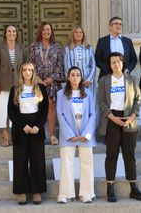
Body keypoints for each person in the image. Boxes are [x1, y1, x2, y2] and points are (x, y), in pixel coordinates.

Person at [97, 52, 141, 202]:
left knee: (129, 154)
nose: (116, 64)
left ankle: (133, 187)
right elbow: (101, 101)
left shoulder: (131, 79)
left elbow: (138, 98)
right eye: (113, 62)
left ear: (122, 63)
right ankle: (110, 188)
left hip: (128, 119)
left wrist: (133, 116)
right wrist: (112, 117)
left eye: (118, 62)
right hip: (112, 120)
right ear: (109, 65)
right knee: (111, 154)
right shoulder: (104, 81)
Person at [8, 63, 49, 205]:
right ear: (21, 72)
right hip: (21, 129)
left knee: (37, 159)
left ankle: (37, 191)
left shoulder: (41, 88)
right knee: (20, 160)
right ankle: (22, 191)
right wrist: (22, 125)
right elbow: (11, 112)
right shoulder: (15, 89)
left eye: (30, 70)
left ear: (33, 72)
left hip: (36, 129)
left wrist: (38, 126)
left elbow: (45, 110)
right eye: (24, 70)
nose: (27, 72)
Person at [56, 66, 96, 204]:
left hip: (85, 133)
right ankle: (66, 194)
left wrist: (87, 133)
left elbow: (93, 114)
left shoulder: (88, 93)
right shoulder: (61, 94)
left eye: (78, 75)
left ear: (81, 77)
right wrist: (69, 134)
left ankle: (86, 193)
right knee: (67, 163)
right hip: (68, 134)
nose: (75, 77)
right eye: (72, 75)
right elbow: (60, 115)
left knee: (87, 163)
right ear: (68, 77)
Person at [29, 22, 65, 145]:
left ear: (51, 31)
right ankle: (38, 135)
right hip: (37, 81)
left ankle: (53, 135)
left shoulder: (57, 46)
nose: (46, 32)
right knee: (37, 108)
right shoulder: (34, 46)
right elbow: (31, 63)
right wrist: (37, 78)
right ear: (40, 31)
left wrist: (52, 78)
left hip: (52, 82)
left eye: (48, 30)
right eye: (44, 30)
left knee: (51, 106)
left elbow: (60, 64)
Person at [0, 24, 26, 147]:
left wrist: (25, 83)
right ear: (5, 33)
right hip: (3, 83)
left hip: (18, 84)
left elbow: (24, 67)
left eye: (14, 31)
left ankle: (15, 136)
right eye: (9, 31)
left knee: (16, 111)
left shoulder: (21, 48)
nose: (12, 33)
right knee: (2, 111)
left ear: (16, 34)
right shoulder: (0, 47)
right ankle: (5, 137)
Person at [64, 25, 96, 93]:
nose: (78, 34)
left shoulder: (89, 48)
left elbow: (93, 65)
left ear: (83, 35)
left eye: (80, 32)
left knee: (88, 101)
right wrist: (73, 80)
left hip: (88, 82)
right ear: (73, 35)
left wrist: (89, 80)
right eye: (76, 32)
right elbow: (67, 66)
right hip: (74, 82)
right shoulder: (68, 49)